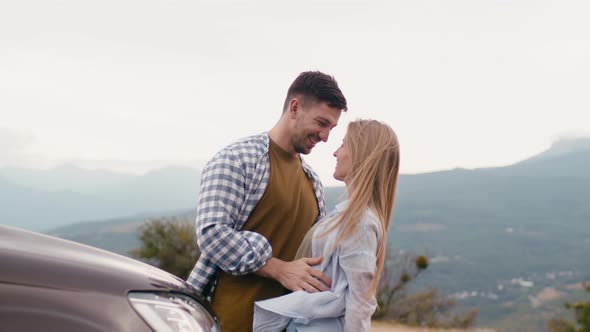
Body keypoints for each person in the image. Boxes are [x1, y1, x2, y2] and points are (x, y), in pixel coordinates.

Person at [186, 71, 348, 332]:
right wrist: (279, 269)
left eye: (332, 128)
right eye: (321, 122)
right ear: (294, 108)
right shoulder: (238, 159)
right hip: (227, 322)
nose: (326, 136)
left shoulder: (313, 182)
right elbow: (211, 233)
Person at [253, 119, 400, 332]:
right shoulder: (348, 216)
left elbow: (360, 301)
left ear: (360, 154)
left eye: (343, 144)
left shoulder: (361, 222)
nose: (336, 153)